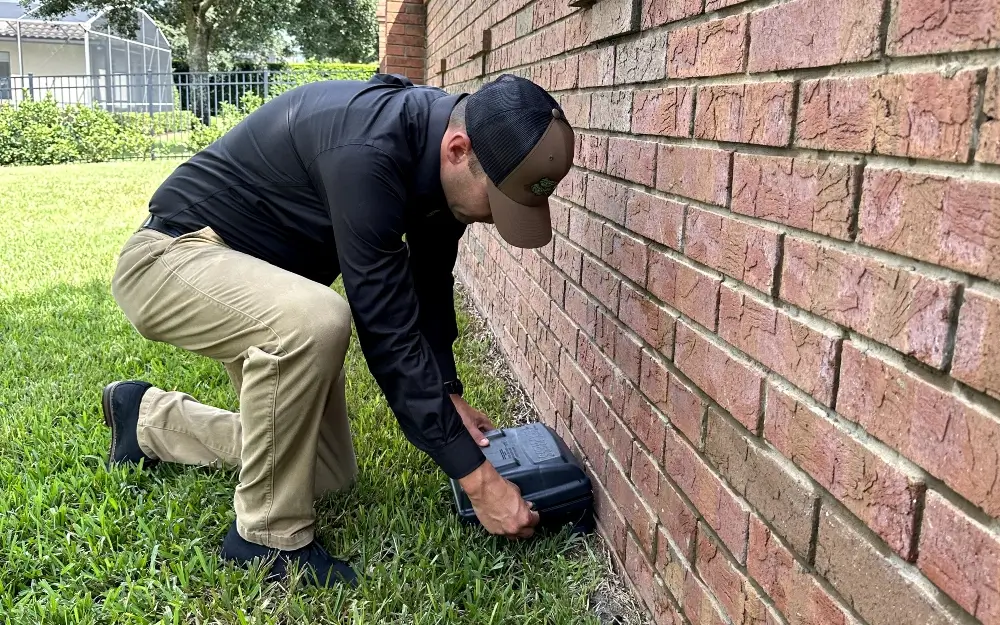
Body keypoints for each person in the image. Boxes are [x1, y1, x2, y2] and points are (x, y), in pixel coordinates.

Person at [101, 72, 576, 587]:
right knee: (318, 320)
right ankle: (263, 539)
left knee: (325, 475)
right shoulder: (369, 152)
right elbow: (388, 333)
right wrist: (481, 482)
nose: (490, 219)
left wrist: (447, 391)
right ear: (459, 150)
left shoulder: (439, 153)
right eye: (497, 200)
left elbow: (428, 283)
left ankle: (146, 419)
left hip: (255, 281)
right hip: (171, 258)